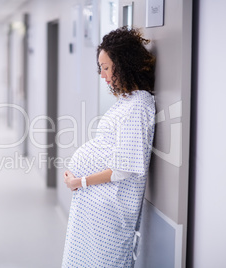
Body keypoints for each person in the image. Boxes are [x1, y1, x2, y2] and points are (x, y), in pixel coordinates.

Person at [62, 27, 156, 267]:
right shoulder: (128, 99)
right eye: (100, 68)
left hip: (111, 209)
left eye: (105, 67)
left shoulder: (139, 104)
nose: (102, 75)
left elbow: (123, 169)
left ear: (123, 65)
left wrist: (79, 182)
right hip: (97, 204)